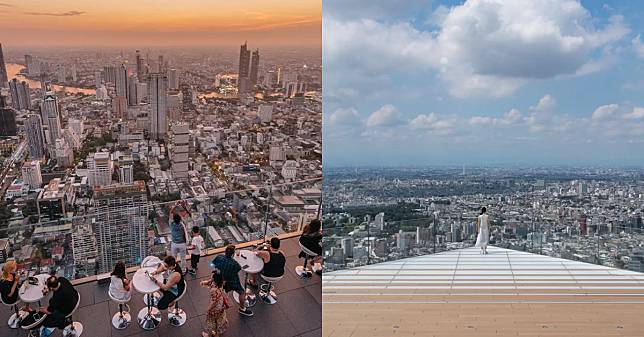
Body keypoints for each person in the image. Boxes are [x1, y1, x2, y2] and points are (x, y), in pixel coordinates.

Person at [211, 245, 253, 317]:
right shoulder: (235, 264)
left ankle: (220, 306)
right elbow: (238, 270)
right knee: (242, 292)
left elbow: (211, 264)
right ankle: (242, 309)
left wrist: (217, 269)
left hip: (220, 279)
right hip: (232, 281)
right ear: (233, 254)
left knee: (222, 293)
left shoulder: (219, 257)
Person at [149, 255, 185, 322]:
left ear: (169, 266)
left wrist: (155, 281)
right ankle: (165, 297)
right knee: (156, 286)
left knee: (160, 306)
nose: (164, 266)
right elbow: (163, 267)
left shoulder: (175, 275)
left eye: (166, 265)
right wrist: (156, 272)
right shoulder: (173, 264)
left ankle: (172, 302)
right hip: (170, 283)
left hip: (175, 291)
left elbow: (165, 288)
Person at [251, 237, 286, 301]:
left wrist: (262, 246)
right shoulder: (282, 253)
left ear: (270, 244)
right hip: (280, 275)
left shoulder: (267, 254)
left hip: (268, 276)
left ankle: (254, 283)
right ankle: (268, 284)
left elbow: (255, 252)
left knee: (254, 268)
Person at [200, 270, 229, 337]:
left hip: (215, 308)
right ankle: (217, 334)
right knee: (219, 319)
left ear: (215, 279)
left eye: (212, 275)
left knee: (210, 320)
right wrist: (204, 282)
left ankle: (207, 334)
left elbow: (214, 302)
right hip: (221, 304)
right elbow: (210, 282)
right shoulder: (221, 283)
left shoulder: (214, 290)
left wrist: (208, 309)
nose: (211, 275)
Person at [169, 201, 188, 272]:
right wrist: (183, 206)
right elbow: (185, 214)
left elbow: (170, 213)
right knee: (183, 258)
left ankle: (172, 270)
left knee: (173, 258)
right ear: (180, 219)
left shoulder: (171, 224)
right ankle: (183, 270)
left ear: (174, 219)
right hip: (182, 243)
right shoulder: (183, 224)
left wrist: (175, 205)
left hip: (174, 243)